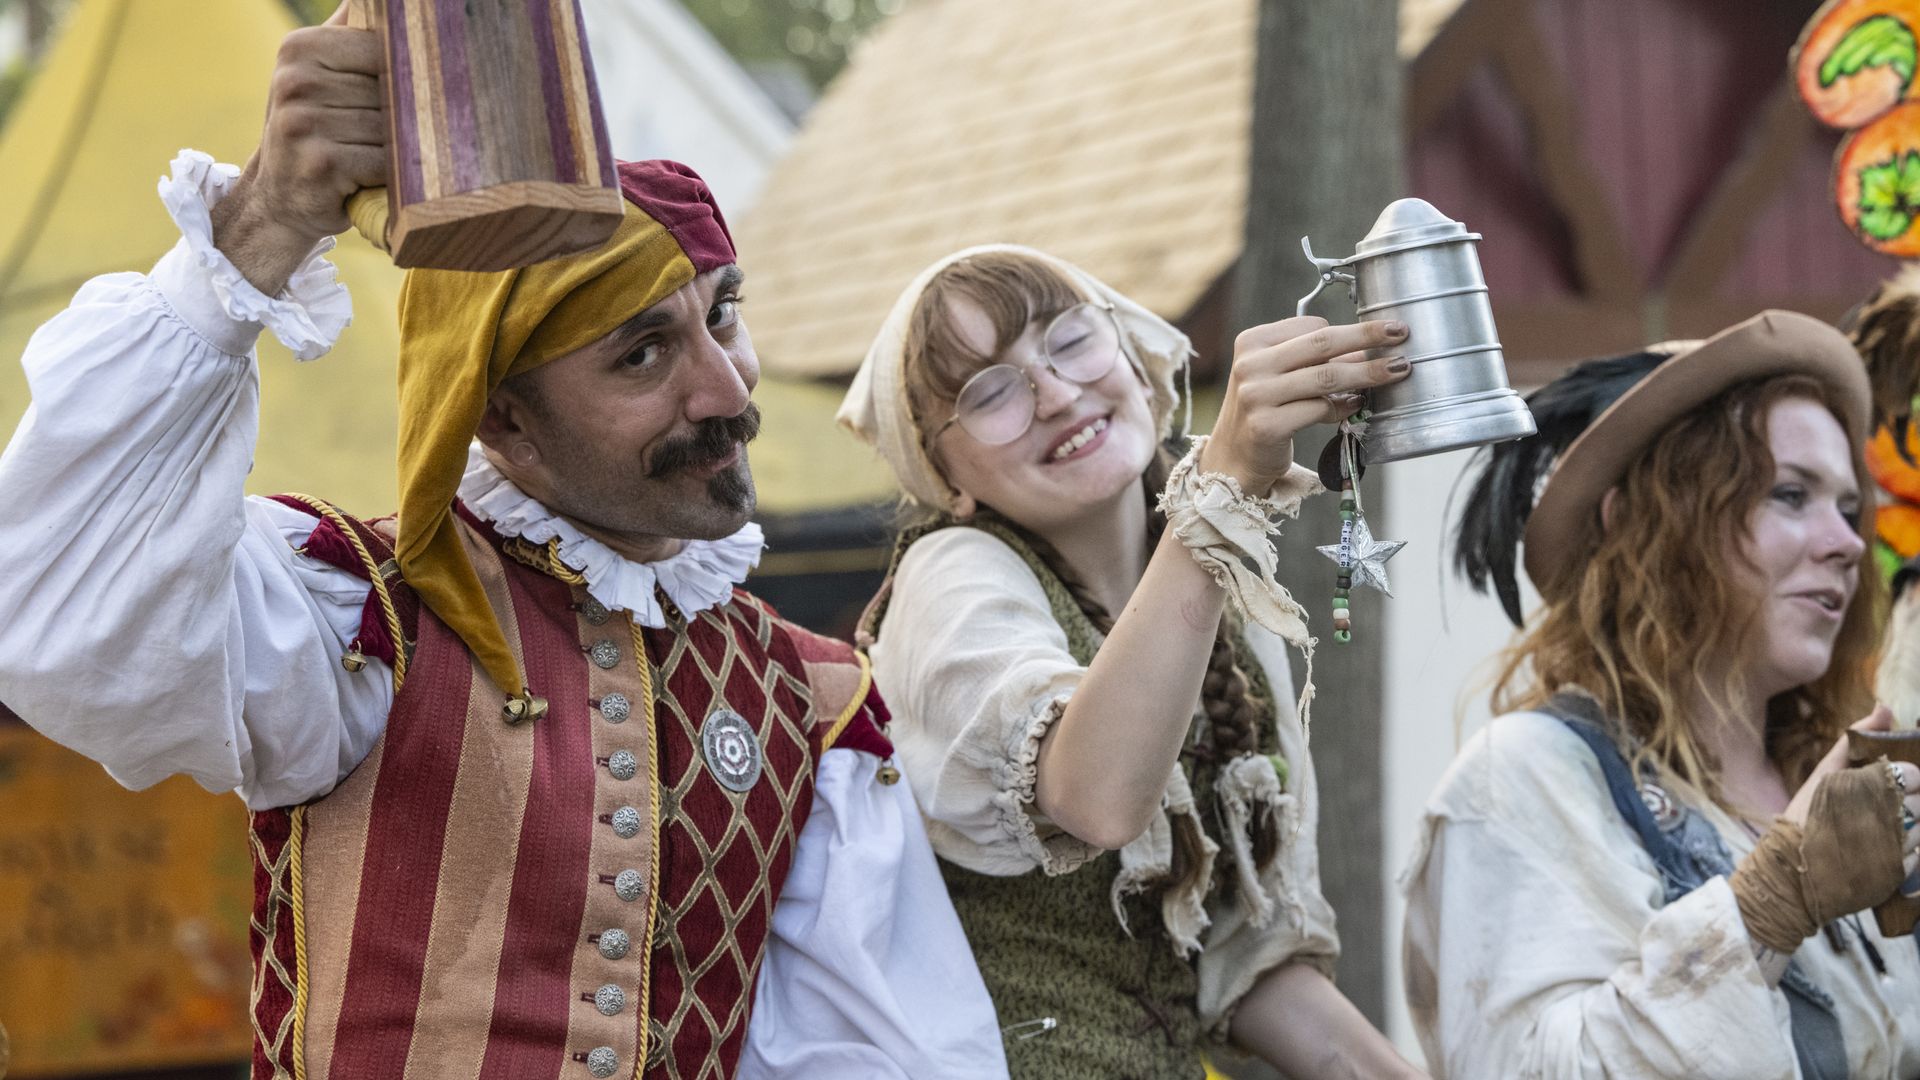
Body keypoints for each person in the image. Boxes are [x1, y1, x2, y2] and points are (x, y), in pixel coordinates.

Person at [0, 14, 1004, 1080]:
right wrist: (261, 223)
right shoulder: (355, 620)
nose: (726, 390)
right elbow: (58, 607)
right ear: (503, 425)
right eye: (643, 355)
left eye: (725, 316)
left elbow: (889, 1056)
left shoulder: (814, 700)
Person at [837, 245, 1426, 1078]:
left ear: (1139, 369)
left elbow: (1247, 962)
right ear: (945, 476)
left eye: (1069, 341)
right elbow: (1098, 799)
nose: (1054, 393)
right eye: (989, 394)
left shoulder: (1219, 590)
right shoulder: (952, 574)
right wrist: (1217, 494)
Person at [1402, 311, 1920, 1078]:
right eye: (1789, 494)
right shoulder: (1522, 777)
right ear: (1642, 522)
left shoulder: (1840, 784)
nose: (1847, 543)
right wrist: (1769, 903)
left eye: (1848, 509)